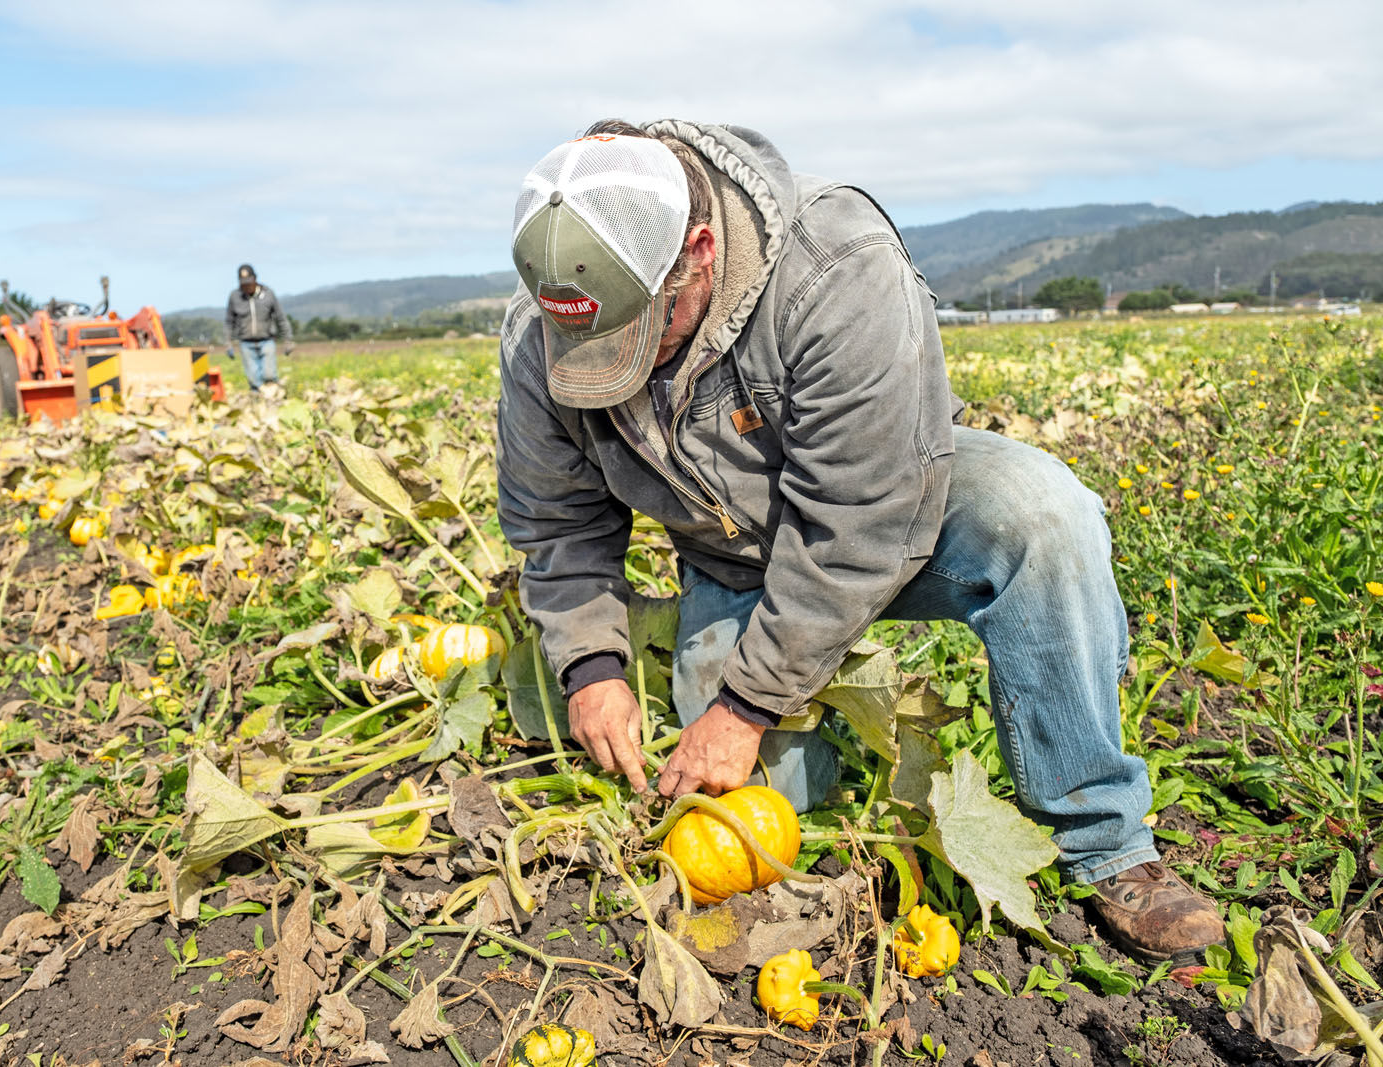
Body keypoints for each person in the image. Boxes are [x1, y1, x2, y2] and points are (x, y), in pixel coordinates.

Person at [494, 119, 1224, 965]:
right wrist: (590, 667)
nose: (618, 365)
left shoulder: (834, 266)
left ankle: (1105, 841)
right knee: (763, 808)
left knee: (1041, 518)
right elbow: (559, 523)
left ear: (698, 251)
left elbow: (859, 520)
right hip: (732, 555)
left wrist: (746, 704)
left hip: (893, 504)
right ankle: (821, 744)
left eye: (640, 333)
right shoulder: (545, 331)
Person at [224, 263, 294, 396]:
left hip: (266, 341)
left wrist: (288, 340)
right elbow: (229, 322)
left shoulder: (268, 294)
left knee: (269, 374)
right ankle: (257, 400)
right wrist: (228, 343)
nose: (247, 286)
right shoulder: (235, 297)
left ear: (255, 279)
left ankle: (272, 399)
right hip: (246, 343)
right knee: (254, 379)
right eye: (243, 284)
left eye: (249, 283)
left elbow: (281, 318)